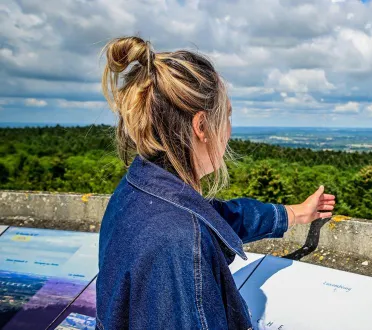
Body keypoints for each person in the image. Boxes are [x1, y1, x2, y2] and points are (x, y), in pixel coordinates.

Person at [96, 36, 335, 329]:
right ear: (201, 126)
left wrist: (296, 213)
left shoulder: (138, 190)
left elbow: (220, 219)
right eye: (227, 116)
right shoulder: (181, 239)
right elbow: (194, 236)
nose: (230, 131)